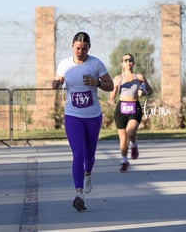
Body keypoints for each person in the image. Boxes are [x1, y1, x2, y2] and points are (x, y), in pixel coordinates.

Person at [52, 32, 114, 211]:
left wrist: (97, 82)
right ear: (72, 46)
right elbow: (57, 81)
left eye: (84, 48)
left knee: (90, 156)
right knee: (78, 153)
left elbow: (110, 85)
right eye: (78, 48)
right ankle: (78, 193)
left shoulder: (96, 63)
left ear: (89, 47)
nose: (81, 51)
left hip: (93, 116)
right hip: (73, 115)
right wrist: (55, 84)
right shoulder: (65, 64)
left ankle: (88, 173)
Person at [109, 53, 153, 173]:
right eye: (126, 60)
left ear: (133, 63)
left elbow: (150, 90)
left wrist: (143, 91)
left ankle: (133, 144)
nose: (128, 62)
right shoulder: (118, 78)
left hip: (134, 107)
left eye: (130, 60)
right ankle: (124, 160)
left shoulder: (139, 77)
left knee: (130, 130)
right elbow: (112, 97)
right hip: (121, 109)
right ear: (122, 63)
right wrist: (116, 87)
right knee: (123, 139)